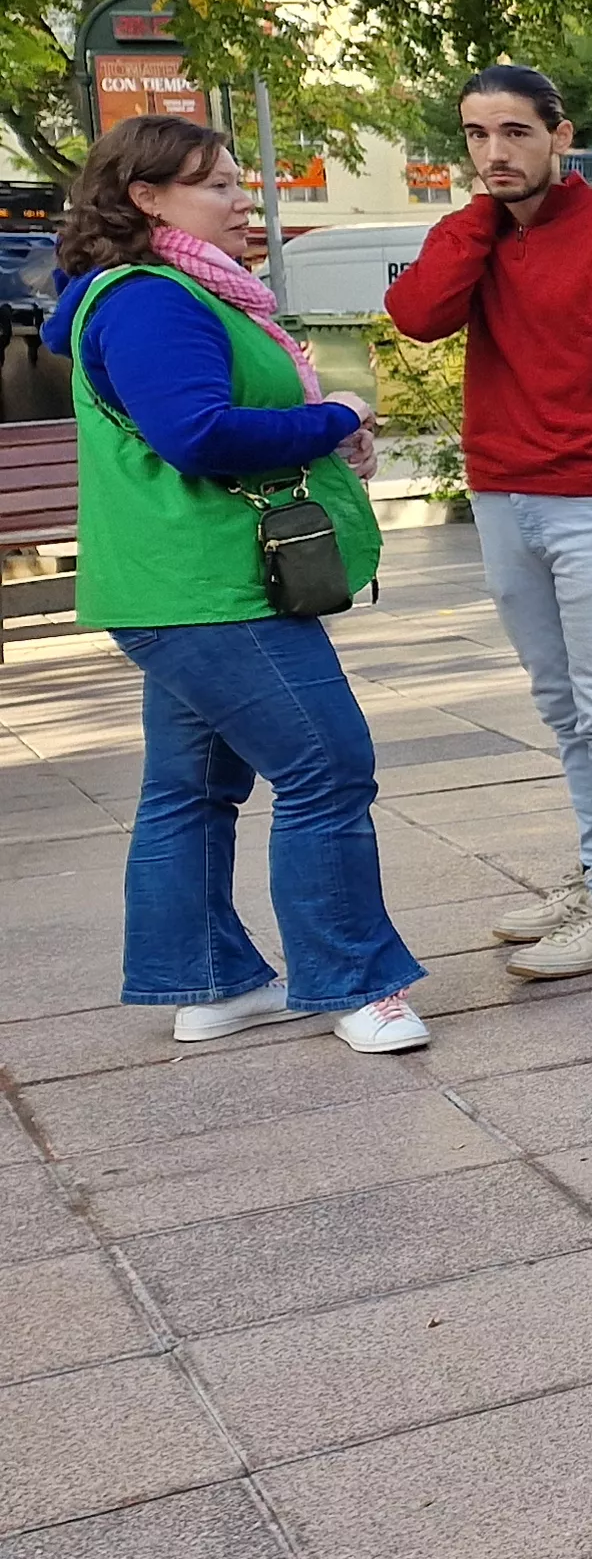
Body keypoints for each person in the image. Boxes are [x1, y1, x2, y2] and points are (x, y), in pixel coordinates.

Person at [55, 116, 424, 1053]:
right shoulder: (151, 298)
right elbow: (198, 436)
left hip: (171, 583)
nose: (241, 199)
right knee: (327, 768)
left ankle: (212, 983)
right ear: (146, 197)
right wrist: (332, 413)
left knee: (191, 787)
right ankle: (355, 985)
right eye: (215, 183)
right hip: (207, 587)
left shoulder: (176, 292)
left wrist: (322, 433)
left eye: (236, 180)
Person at [384, 65, 592, 978]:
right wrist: (479, 222)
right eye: (477, 135)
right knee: (563, 704)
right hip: (503, 494)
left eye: (516, 133)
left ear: (561, 136)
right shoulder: (476, 234)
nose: (495, 153)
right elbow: (416, 316)